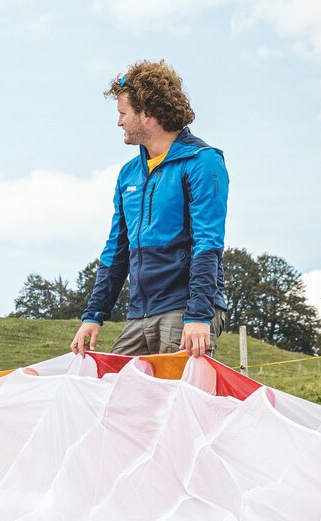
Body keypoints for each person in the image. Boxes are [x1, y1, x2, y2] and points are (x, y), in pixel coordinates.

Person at [71, 60, 228, 359]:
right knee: (114, 393)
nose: (119, 122)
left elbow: (207, 243)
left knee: (174, 403)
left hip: (184, 310)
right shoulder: (128, 174)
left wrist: (197, 315)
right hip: (140, 314)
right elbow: (116, 251)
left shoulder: (202, 162)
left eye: (123, 113)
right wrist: (93, 315)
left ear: (147, 113)